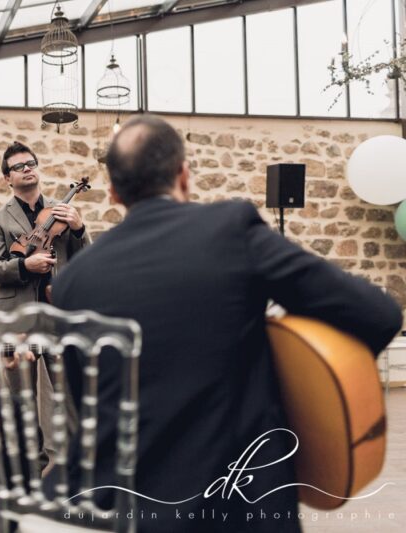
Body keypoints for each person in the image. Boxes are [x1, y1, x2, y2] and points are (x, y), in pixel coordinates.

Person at [49, 115, 402, 532]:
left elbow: (85, 409)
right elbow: (376, 312)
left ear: (112, 192)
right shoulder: (229, 227)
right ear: (184, 175)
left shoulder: (73, 281)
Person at [0, 141, 90, 467]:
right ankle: (31, 465)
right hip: (18, 316)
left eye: (31, 163)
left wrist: (79, 228)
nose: (27, 168)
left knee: (63, 391)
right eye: (18, 166)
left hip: (56, 311)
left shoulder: (62, 211)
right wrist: (23, 267)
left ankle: (66, 462)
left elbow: (86, 260)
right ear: (7, 178)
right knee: (23, 394)